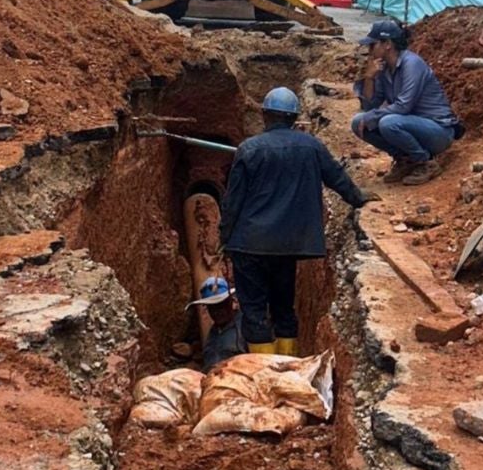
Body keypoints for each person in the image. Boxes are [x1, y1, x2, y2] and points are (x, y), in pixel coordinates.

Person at [220, 86, 371, 356]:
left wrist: (224, 237)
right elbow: (337, 178)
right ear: (293, 118)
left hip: (249, 244)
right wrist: (359, 198)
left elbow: (233, 202)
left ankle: (265, 374)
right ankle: (287, 366)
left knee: (254, 311)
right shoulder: (312, 146)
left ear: (266, 116)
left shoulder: (249, 149)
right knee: (283, 308)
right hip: (287, 246)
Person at [351, 20, 462, 186]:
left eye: (373, 45)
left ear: (387, 44)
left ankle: (426, 163)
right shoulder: (384, 69)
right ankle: (405, 160)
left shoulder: (412, 64)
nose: (369, 50)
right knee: (358, 122)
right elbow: (370, 106)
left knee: (388, 123)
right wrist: (369, 78)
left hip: (438, 130)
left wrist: (372, 116)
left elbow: (404, 106)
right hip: (410, 125)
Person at [185, 276, 247, 371]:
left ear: (231, 302)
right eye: (212, 308)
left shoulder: (245, 326)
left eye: (221, 305)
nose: (217, 312)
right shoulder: (213, 334)